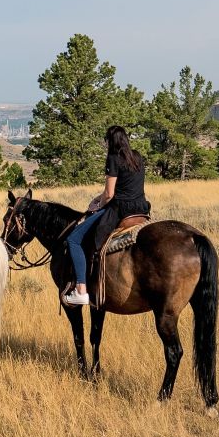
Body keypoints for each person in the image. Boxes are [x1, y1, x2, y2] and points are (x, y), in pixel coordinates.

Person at [62, 125, 150, 307]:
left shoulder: (114, 158)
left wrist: (97, 206)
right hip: (141, 208)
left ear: (111, 141)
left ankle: (81, 291)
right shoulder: (137, 156)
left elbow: (109, 194)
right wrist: (98, 199)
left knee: (74, 239)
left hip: (120, 210)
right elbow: (121, 188)